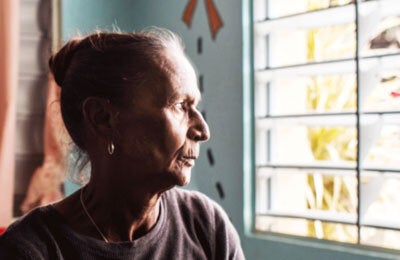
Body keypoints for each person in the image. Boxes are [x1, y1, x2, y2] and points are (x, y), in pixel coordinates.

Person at [0, 28, 245, 259]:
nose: (203, 130)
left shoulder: (207, 226)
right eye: (180, 106)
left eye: (196, 106)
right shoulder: (31, 249)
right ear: (103, 119)